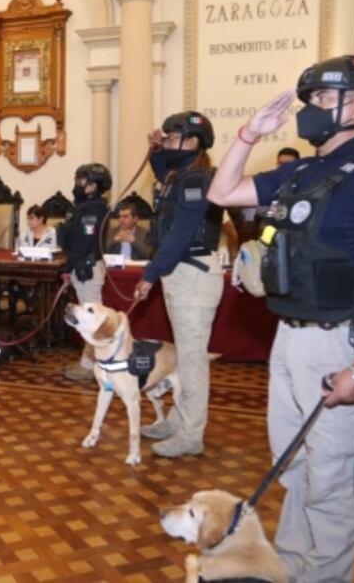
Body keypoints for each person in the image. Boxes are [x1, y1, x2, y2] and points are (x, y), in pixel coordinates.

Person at [207, 55, 354, 581]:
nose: (311, 111)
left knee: (330, 483)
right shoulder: (300, 170)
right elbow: (221, 192)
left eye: (324, 99)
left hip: (342, 343)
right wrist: (248, 134)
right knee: (295, 467)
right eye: (311, 101)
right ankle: (295, 570)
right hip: (290, 335)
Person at [133, 112, 224, 458]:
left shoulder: (196, 179)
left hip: (193, 274)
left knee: (192, 361)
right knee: (186, 359)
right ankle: (177, 421)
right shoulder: (181, 176)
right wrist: (155, 150)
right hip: (183, 274)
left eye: (172, 138)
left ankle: (190, 433)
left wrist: (150, 274)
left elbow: (181, 234)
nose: (168, 142)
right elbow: (162, 177)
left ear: (192, 141)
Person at [57, 163, 111, 380]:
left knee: (92, 320)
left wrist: (68, 267)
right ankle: (88, 362)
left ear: (92, 185)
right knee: (88, 317)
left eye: (81, 180)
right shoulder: (84, 207)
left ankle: (89, 367)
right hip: (82, 266)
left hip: (86, 267)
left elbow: (84, 242)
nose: (77, 184)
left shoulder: (94, 209)